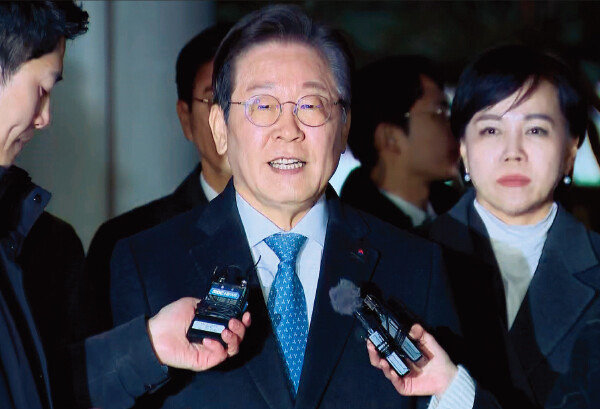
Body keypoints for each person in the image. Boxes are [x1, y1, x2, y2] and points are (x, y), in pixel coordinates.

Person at [109, 5, 497, 409]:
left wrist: (452, 391)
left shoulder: (417, 266)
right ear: (220, 128)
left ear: (343, 127)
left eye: (311, 105)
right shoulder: (147, 265)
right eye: (263, 106)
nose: (289, 130)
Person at [0, 3, 249, 409]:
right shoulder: (126, 245)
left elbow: (37, 386)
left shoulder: (33, 235)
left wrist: (148, 344)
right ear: (185, 117)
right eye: (42, 88)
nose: (45, 118)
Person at [427, 45, 599, 408]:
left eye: (536, 130)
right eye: (491, 130)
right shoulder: (407, 256)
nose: (513, 152)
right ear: (463, 147)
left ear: (571, 148)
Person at [85, 23, 231, 335]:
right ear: (185, 118)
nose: (230, 118)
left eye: (253, 100)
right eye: (214, 100)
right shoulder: (127, 243)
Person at [341, 56, 460, 230]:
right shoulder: (355, 233)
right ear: (390, 138)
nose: (455, 128)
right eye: (440, 113)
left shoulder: (465, 216)